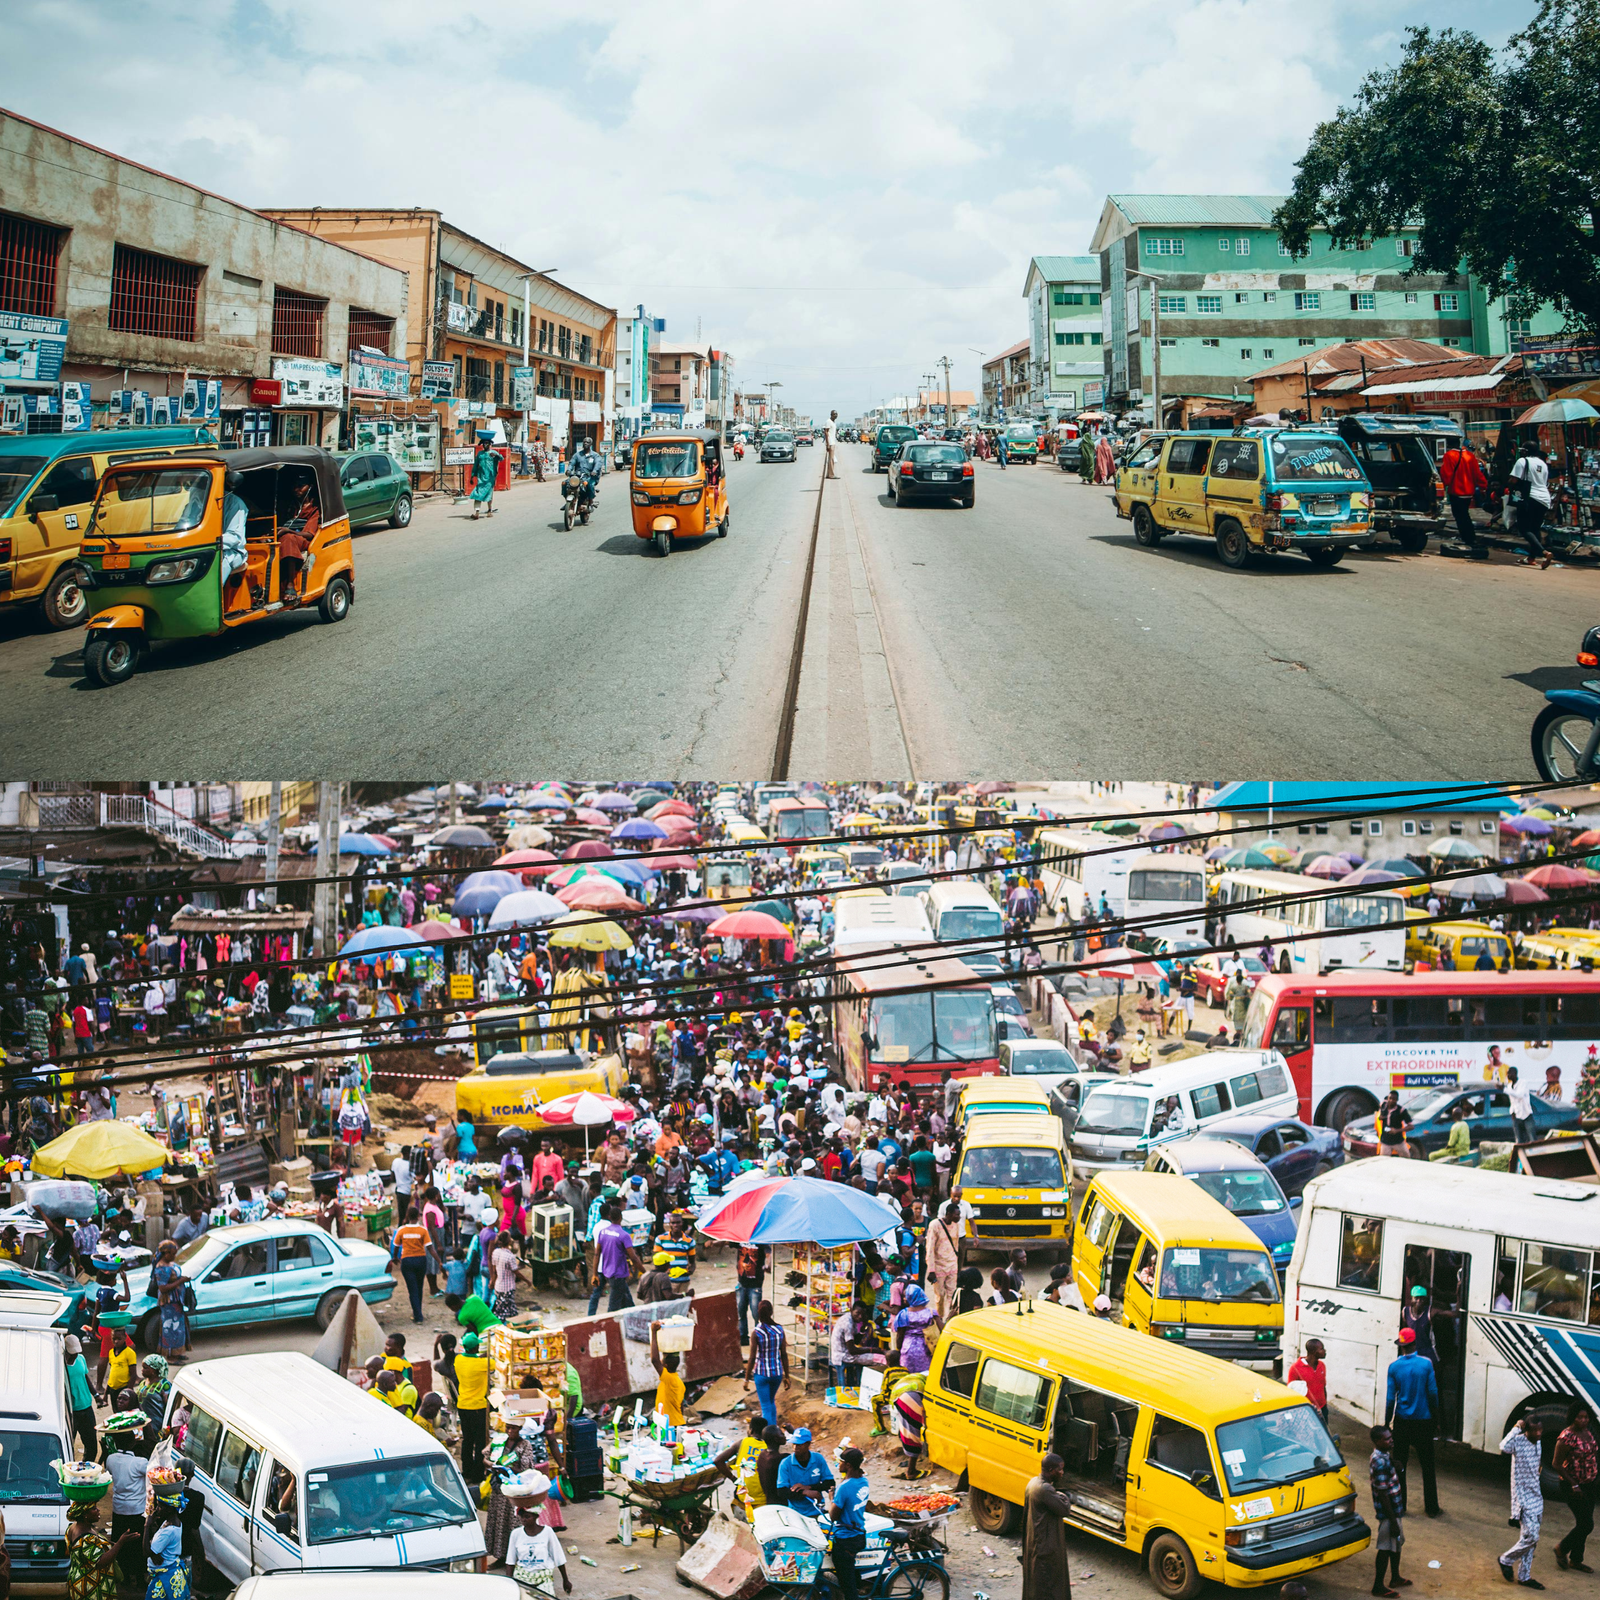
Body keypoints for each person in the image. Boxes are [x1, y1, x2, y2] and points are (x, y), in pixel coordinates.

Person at [1385, 1327, 1440, 1517]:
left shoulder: (1394, 1367)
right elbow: (1433, 1393)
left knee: (1399, 1465)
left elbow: (1390, 1399)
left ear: (1401, 1346)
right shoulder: (1426, 1364)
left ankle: (1401, 1506)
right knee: (1427, 1466)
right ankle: (1431, 1508)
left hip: (1402, 1421)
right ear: (1415, 1343)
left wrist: (1387, 1422)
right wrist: (1436, 1417)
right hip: (1423, 1422)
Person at [1021, 1453, 1076, 1600]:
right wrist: (1063, 1496)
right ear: (1051, 1470)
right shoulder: (1044, 1490)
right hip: (1045, 1547)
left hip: (1038, 1542)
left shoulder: (1034, 1483)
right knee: (1048, 1586)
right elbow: (1064, 1509)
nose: (1062, 1473)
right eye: (1060, 1469)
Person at [1502, 1414, 1546, 1585]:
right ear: (1527, 1430)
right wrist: (1516, 1427)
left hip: (1537, 1496)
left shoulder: (1539, 1442)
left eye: (1540, 1430)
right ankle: (1506, 1559)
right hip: (1523, 1498)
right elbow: (1504, 1446)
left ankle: (1524, 1576)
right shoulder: (1518, 1441)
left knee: (1531, 1541)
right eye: (1534, 1430)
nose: (1539, 1433)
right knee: (1531, 1537)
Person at [64, 1499, 139, 1600]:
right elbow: (100, 1562)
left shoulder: (73, 1527)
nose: (98, 1510)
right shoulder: (87, 1538)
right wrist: (120, 1543)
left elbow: (87, 1549)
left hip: (77, 1580)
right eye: (94, 1509)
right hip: (90, 1587)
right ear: (85, 1515)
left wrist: (115, 1544)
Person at [1555, 1400, 1597, 1573]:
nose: (1584, 1420)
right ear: (1573, 1417)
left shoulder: (1587, 1432)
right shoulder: (1566, 1438)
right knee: (1587, 1524)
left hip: (1590, 1483)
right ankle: (1561, 1548)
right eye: (1580, 1417)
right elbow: (1556, 1464)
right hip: (1573, 1486)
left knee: (1583, 1522)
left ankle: (1576, 1560)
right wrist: (1574, 1484)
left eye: (1586, 1417)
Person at [1368, 1424, 1407, 1598]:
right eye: (1387, 1439)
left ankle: (1396, 1577)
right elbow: (1382, 1493)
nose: (1391, 1441)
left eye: (1391, 1437)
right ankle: (1378, 1586)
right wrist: (1392, 1521)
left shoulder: (1385, 1456)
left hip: (1395, 1511)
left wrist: (1397, 1466)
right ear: (1377, 1441)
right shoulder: (1379, 1461)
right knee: (1385, 1548)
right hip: (1388, 1513)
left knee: (1396, 1544)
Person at [506, 1498, 571, 1597]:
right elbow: (510, 1560)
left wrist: (565, 1580)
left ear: (536, 1516)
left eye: (527, 1517)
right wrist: (509, 1582)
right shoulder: (516, 1534)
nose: (524, 1519)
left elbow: (558, 1557)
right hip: (522, 1577)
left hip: (543, 1577)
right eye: (522, 1517)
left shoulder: (547, 1532)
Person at [830, 1447, 871, 1600]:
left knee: (847, 1585)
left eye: (840, 1461)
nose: (838, 1464)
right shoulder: (863, 1481)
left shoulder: (844, 1488)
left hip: (846, 1538)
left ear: (847, 1465)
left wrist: (832, 1498)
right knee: (850, 1573)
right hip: (859, 1534)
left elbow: (833, 1515)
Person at [1439, 437, 1489, 558]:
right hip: (1469, 491)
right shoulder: (1470, 456)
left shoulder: (1449, 455)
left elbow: (1447, 475)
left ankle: (1469, 539)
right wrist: (1483, 486)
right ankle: (1469, 538)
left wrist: (1443, 486)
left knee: (1461, 517)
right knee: (1464, 515)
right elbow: (1477, 473)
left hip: (1456, 491)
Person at [586, 1203, 640, 1315]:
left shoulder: (597, 1227)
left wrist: (594, 1273)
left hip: (600, 1266)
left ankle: (590, 1315)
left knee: (596, 1294)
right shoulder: (611, 1229)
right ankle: (628, 1314)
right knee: (617, 1298)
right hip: (611, 1267)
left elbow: (597, 1251)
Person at [743, 1299, 789, 1425]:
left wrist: (746, 1379)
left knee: (765, 1406)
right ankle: (773, 1429)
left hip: (761, 1374)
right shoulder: (779, 1330)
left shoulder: (756, 1332)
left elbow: (752, 1358)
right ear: (771, 1312)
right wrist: (787, 1376)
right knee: (770, 1402)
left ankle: (769, 1433)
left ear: (758, 1313)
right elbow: (783, 1354)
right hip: (777, 1373)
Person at [1510, 441, 1555, 568]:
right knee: (1535, 528)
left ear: (1525, 451)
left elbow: (1514, 479)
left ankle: (1544, 552)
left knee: (1524, 528)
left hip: (1529, 497)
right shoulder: (1543, 464)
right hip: (1544, 498)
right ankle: (1531, 558)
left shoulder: (1522, 461)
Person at [456, 1331, 490, 1484]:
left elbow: (472, 1359)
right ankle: (477, 1475)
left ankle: (467, 1471)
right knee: (480, 1442)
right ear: (476, 1348)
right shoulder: (482, 1364)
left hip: (463, 1405)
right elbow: (493, 1363)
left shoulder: (458, 1360)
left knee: (467, 1440)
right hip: (477, 1407)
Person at [776, 1427, 833, 1518]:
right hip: (796, 1513)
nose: (795, 1447)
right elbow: (782, 1491)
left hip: (817, 1510)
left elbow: (830, 1483)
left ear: (808, 1444)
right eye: (794, 1443)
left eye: (799, 1444)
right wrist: (804, 1492)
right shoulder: (786, 1463)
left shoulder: (818, 1459)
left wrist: (809, 1487)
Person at [391, 1212, 431, 1323]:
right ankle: (418, 1312)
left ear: (407, 1217)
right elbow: (430, 1247)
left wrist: (395, 1257)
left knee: (412, 1289)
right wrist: (438, 1260)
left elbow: (396, 1246)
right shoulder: (423, 1230)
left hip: (407, 1260)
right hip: (421, 1259)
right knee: (419, 1287)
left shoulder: (402, 1230)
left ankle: (417, 1315)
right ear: (418, 1217)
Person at [892, 1284, 940, 1373]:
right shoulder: (931, 1312)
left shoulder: (904, 1314)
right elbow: (942, 1328)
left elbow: (900, 1336)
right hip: (927, 1347)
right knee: (925, 1375)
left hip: (908, 1349)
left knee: (907, 1376)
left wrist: (898, 1349)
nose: (904, 1298)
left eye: (905, 1296)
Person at [63, 1335, 97, 1459]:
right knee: (68, 1444)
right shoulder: (61, 1365)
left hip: (86, 1406)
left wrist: (96, 1395)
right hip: (71, 1412)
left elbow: (85, 1377)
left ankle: (86, 1470)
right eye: (73, 1353)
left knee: (91, 1444)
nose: (75, 1355)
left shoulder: (81, 1358)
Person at [649, 1321, 686, 1426]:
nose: (660, 1360)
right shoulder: (678, 1382)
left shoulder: (668, 1378)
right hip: (676, 1424)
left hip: (671, 1426)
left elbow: (654, 1360)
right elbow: (681, 1406)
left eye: (663, 1359)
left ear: (665, 1365)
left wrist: (653, 1332)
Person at [1287, 1338, 1329, 1423]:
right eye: (1321, 1349)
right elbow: (1291, 1393)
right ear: (1313, 1352)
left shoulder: (1322, 1365)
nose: (1325, 1351)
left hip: (1322, 1409)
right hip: (1306, 1411)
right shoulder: (1295, 1368)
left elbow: (1323, 1387)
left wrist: (1325, 1407)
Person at [563, 439, 602, 517]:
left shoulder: (595, 455)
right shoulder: (577, 455)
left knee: (589, 485)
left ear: (591, 444)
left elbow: (598, 464)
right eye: (584, 442)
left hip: (590, 476)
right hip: (577, 476)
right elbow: (571, 463)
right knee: (565, 483)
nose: (585, 443)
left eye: (587, 442)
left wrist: (594, 471)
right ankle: (568, 502)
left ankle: (590, 502)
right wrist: (568, 470)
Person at [1376, 1091, 1412, 1158]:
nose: (1391, 1100)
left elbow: (1411, 1126)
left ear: (1397, 1100)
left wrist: (1396, 1130)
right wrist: (1381, 1116)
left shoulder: (1401, 1110)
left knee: (1406, 1159)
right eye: (1390, 1098)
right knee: (1383, 1161)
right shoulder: (1384, 1105)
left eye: (1394, 1099)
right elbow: (1380, 1107)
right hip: (1385, 1141)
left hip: (1398, 1141)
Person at [469, 437, 498, 520]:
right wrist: (472, 475)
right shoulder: (480, 454)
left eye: (487, 443)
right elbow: (475, 465)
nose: (485, 445)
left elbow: (501, 458)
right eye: (484, 443)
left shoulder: (493, 453)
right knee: (477, 493)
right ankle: (477, 512)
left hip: (490, 478)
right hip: (481, 477)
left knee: (489, 494)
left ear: (490, 444)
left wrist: (496, 455)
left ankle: (489, 511)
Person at [1508, 1066, 1536, 1145]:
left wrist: (1504, 1090)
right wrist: (1512, 1111)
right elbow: (1512, 1101)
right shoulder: (1509, 1086)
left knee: (1532, 1138)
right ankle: (1521, 1156)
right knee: (1519, 1140)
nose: (1508, 1075)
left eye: (1509, 1073)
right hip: (1517, 1116)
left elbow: (1519, 1095)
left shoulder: (1522, 1083)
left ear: (1515, 1074)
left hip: (1526, 1115)